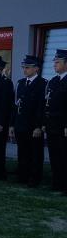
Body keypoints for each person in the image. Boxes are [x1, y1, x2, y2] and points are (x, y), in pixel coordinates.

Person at [10, 55, 47, 187]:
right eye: (24, 67)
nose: (25, 70)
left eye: (28, 67)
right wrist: (12, 124)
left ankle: (34, 177)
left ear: (36, 69)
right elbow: (15, 105)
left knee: (35, 152)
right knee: (22, 151)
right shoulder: (20, 83)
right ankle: (23, 175)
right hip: (20, 123)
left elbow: (42, 107)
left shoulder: (43, 83)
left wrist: (38, 126)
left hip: (33, 125)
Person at [44, 49, 67, 194]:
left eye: (57, 62)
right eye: (54, 62)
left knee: (64, 155)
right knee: (54, 154)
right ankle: (56, 182)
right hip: (52, 124)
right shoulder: (53, 81)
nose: (54, 65)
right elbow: (47, 103)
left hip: (63, 125)